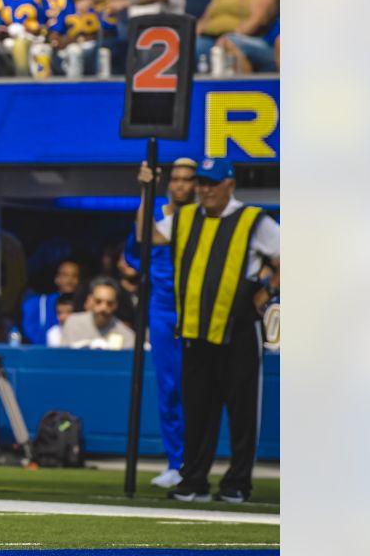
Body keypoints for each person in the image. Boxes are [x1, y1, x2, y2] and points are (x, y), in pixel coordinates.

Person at [140, 157, 279, 504]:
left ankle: (236, 483)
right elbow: (147, 237)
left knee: (241, 411)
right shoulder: (185, 218)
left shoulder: (253, 220)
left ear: (229, 185)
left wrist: (267, 293)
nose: (204, 190)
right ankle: (194, 480)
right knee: (198, 410)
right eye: (201, 183)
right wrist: (146, 191)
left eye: (211, 183)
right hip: (194, 331)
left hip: (238, 330)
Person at [128, 156, 198, 489]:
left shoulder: (203, 217)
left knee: (198, 390)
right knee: (169, 387)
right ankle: (176, 461)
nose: (182, 184)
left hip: (198, 308)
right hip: (162, 307)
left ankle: (197, 460)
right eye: (177, 178)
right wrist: (145, 188)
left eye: (189, 179)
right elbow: (140, 244)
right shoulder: (156, 215)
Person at [195, 0, 278, 74]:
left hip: (252, 40)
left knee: (230, 43)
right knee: (194, 46)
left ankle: (243, 87)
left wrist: (230, 37)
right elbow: (205, 19)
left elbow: (256, 21)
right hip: (212, 38)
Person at [46, 0, 102, 76]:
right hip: (69, 48)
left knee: (75, 50)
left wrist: (77, 39)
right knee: (45, 51)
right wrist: (56, 41)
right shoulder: (63, 1)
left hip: (93, 48)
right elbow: (55, 31)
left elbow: (108, 32)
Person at [60, 276, 135, 349]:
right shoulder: (73, 323)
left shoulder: (126, 335)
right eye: (98, 301)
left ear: (116, 305)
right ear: (90, 300)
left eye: (109, 303)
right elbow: (62, 357)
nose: (103, 308)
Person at [19, 259, 82, 345]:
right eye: (65, 275)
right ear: (57, 279)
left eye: (74, 276)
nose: (70, 280)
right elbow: (30, 333)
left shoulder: (84, 305)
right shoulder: (37, 305)